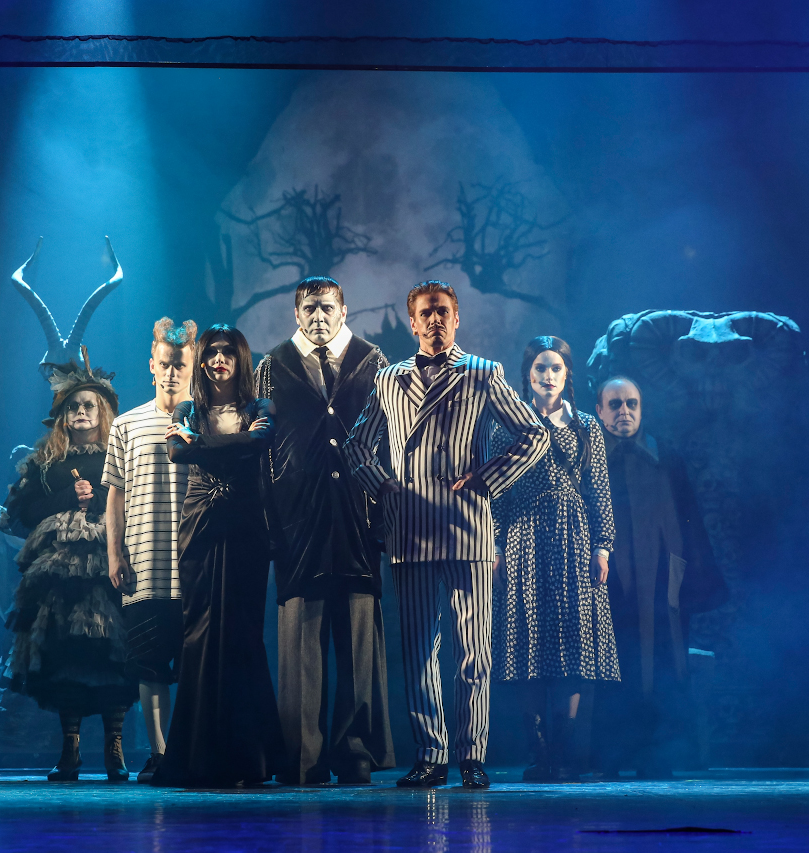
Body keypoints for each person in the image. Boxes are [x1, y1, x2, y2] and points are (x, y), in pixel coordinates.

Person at [344, 280, 549, 789]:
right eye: (425, 313)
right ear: (412, 322)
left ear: (457, 319)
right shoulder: (388, 379)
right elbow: (355, 446)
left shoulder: (483, 372)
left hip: (467, 527)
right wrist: (383, 486)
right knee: (418, 651)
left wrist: (487, 478)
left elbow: (535, 434)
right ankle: (431, 756)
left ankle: (472, 756)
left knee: (474, 650)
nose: (434, 320)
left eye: (442, 312)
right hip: (410, 529)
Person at [255, 276, 395, 786]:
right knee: (300, 644)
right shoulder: (272, 366)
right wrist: (270, 520)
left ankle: (355, 752)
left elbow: (389, 439)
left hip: (358, 519)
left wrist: (382, 513)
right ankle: (303, 756)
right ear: (296, 314)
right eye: (309, 308)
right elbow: (261, 448)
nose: (318, 316)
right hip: (298, 522)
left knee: (358, 643)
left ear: (343, 310)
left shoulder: (373, 361)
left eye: (327, 307)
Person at [152, 324, 286, 787]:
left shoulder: (261, 407)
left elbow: (259, 443)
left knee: (243, 632)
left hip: (247, 527)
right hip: (200, 527)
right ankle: (194, 756)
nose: (219, 359)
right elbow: (176, 453)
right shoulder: (188, 409)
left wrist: (200, 444)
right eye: (211, 352)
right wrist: (222, 445)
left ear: (240, 358)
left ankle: (249, 758)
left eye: (228, 352)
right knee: (199, 632)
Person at [3, 350, 137, 782]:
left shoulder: (121, 455)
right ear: (63, 415)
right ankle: (70, 749)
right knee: (63, 652)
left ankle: (115, 746)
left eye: (89, 406)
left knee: (114, 652)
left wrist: (98, 503)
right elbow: (21, 512)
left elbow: (139, 501)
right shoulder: (46, 463)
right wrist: (66, 498)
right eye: (74, 406)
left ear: (103, 412)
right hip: (59, 576)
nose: (81, 412)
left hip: (111, 563)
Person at [490, 336, 619, 782]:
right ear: (528, 373)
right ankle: (539, 751)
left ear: (567, 374)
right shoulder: (507, 425)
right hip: (524, 538)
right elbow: (496, 493)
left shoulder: (586, 426)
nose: (548, 376)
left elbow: (598, 490)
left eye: (556, 368)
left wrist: (602, 546)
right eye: (541, 368)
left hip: (574, 539)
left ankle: (564, 752)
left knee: (572, 643)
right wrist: (496, 546)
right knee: (527, 642)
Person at [591, 375, 728, 777]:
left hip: (663, 582)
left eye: (631, 403)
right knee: (616, 662)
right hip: (610, 583)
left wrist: (695, 582)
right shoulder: (590, 459)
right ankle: (613, 755)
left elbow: (690, 522)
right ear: (599, 411)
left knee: (665, 662)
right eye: (615, 404)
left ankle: (661, 755)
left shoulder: (664, 455)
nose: (624, 411)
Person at [103, 317, 197, 784]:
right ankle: (159, 753)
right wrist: (114, 555)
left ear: (192, 366)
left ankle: (190, 750)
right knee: (149, 665)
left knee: (197, 665)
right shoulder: (126, 424)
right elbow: (114, 497)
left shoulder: (206, 421)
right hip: (145, 565)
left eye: (180, 364)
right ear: (152, 365)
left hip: (197, 565)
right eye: (165, 363)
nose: (172, 372)